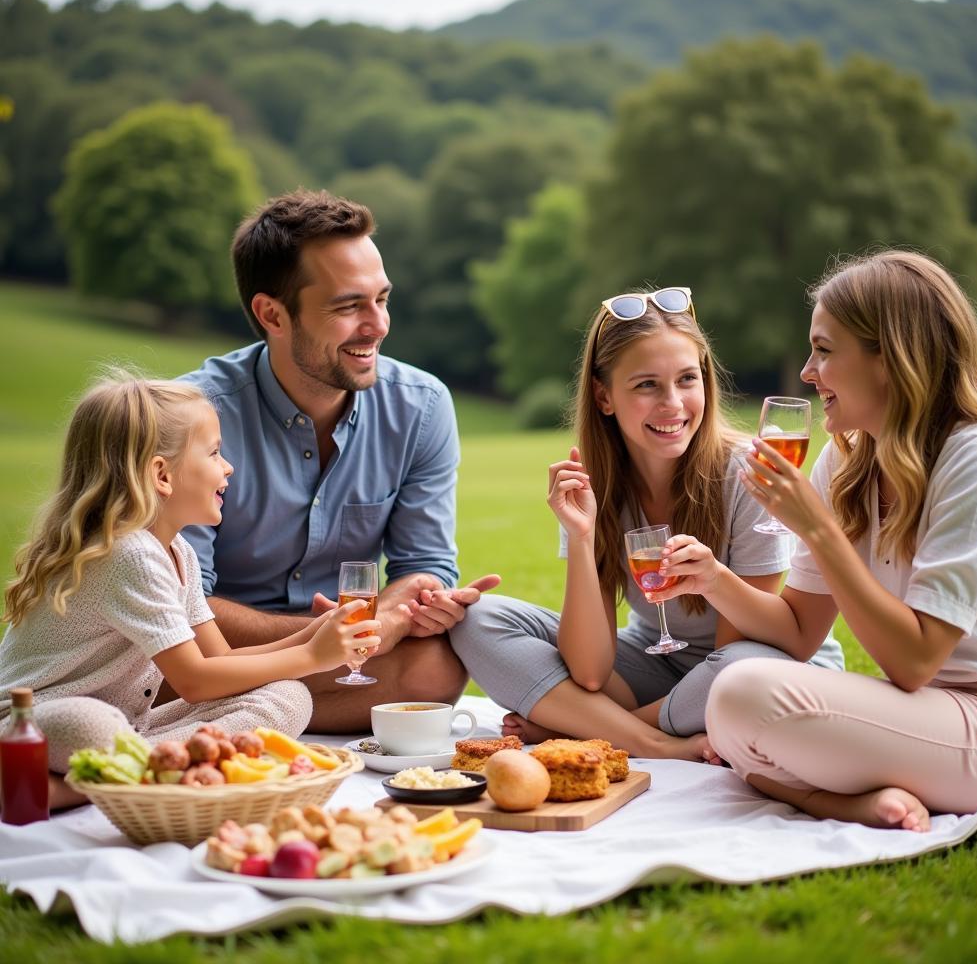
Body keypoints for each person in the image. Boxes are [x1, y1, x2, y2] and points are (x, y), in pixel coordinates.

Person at [688, 251, 977, 832]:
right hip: (929, 712)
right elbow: (798, 629)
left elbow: (915, 661)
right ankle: (847, 802)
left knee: (746, 697)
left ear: (890, 359)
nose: (807, 372)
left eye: (824, 349)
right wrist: (715, 578)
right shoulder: (846, 461)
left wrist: (816, 529)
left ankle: (818, 789)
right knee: (735, 697)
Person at [451, 287, 844, 760]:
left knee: (739, 668)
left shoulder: (745, 473)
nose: (673, 404)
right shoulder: (590, 486)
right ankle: (654, 742)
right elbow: (592, 672)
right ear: (604, 396)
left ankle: (594, 732)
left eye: (686, 379)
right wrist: (581, 537)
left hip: (752, 669)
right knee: (476, 618)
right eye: (646, 385)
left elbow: (738, 648)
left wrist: (582, 722)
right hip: (657, 663)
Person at [179, 189, 499, 733]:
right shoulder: (189, 418)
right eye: (349, 306)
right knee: (156, 666)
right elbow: (182, 607)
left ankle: (218, 721)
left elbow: (425, 562)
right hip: (217, 651)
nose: (378, 325)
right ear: (272, 314)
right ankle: (226, 713)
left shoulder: (421, 406)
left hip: (352, 649)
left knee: (436, 668)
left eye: (382, 299)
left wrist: (390, 616)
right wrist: (333, 637)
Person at [0, 374, 376, 809]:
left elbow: (219, 660)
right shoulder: (130, 554)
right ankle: (74, 789)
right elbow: (195, 681)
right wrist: (313, 657)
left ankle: (130, 773)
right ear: (162, 474)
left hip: (131, 731)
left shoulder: (177, 550)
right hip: (28, 725)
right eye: (214, 452)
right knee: (91, 724)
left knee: (287, 696)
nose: (228, 466)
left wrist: (313, 634)